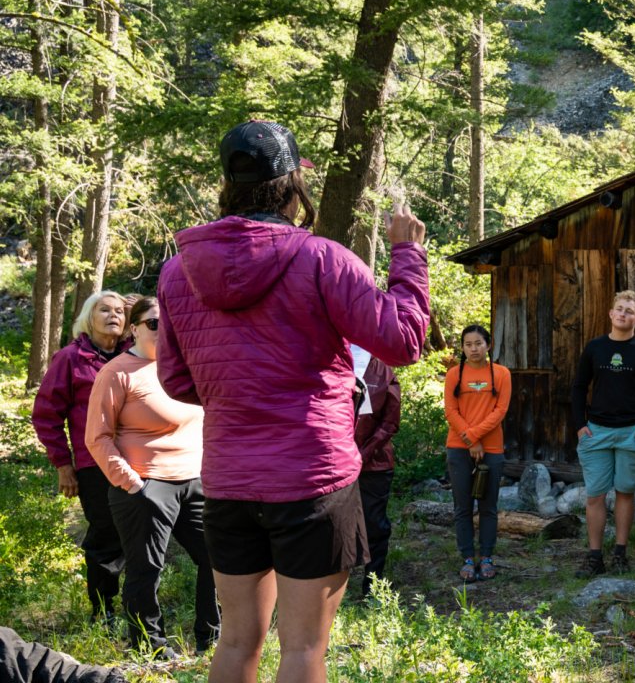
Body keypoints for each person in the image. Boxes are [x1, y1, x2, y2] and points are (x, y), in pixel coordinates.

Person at [157, 120, 430, 683]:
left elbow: (178, 382)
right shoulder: (324, 259)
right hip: (312, 477)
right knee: (303, 650)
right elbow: (403, 342)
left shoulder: (178, 271)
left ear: (227, 183)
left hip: (229, 480)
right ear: (291, 185)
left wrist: (234, 391)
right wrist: (407, 256)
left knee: (234, 643)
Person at [84, 296, 219, 657]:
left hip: (196, 481)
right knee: (146, 569)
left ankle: (212, 636)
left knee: (218, 557)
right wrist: (133, 483)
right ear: (134, 329)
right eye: (155, 323)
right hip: (146, 484)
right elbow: (96, 437)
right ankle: (150, 646)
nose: (164, 330)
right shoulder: (117, 372)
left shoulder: (187, 367)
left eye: (170, 323)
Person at [32, 291, 129, 622]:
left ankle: (141, 611)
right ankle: (103, 613)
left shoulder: (134, 355)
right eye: (104, 309)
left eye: (119, 311)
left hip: (140, 460)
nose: (113, 315)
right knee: (106, 535)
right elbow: (46, 414)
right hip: (94, 463)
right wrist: (63, 464)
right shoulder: (71, 358)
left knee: (141, 534)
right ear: (89, 317)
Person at [571, 290, 635, 577]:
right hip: (596, 432)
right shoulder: (595, 348)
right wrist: (579, 425)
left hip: (634, 432)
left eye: (629, 311)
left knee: (626, 492)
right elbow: (578, 387)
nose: (623, 314)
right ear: (611, 314)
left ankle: (621, 552)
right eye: (619, 309)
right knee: (595, 495)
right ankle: (595, 556)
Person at [443, 325, 512, 583]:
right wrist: (470, 439)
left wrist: (475, 438)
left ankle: (486, 556)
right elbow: (451, 411)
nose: (473, 349)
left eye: (478, 343)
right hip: (459, 448)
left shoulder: (502, 374)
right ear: (462, 347)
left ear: (488, 345)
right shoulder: (454, 375)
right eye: (468, 344)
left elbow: (500, 410)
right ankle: (468, 557)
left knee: (488, 506)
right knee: (462, 506)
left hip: (492, 448)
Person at [350, 344, 402, 599]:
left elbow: (390, 422)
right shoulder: (332, 363)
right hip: (334, 463)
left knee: (374, 524)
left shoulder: (383, 371)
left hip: (375, 463)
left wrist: (363, 454)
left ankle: (373, 585)